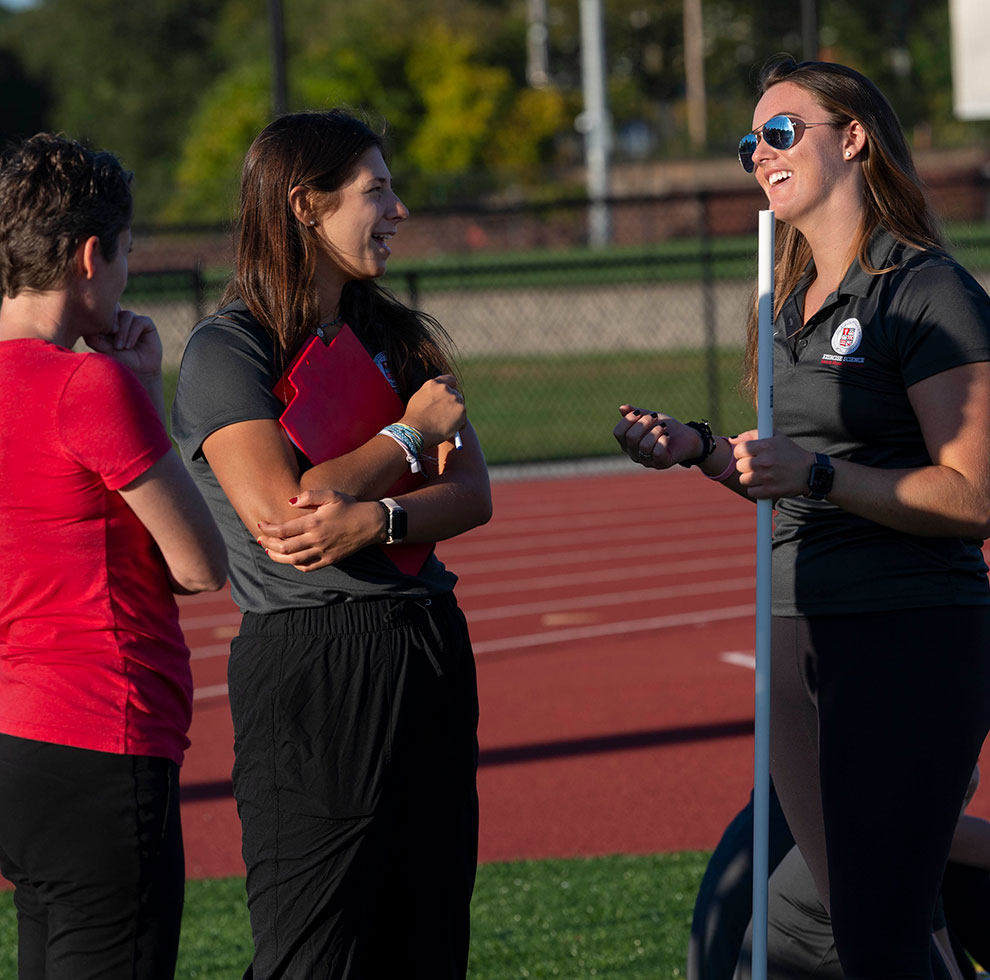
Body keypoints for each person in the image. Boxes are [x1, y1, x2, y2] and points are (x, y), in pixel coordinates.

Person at [614, 56, 990, 978]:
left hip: (903, 633)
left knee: (879, 932)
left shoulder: (928, 292)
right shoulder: (783, 304)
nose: (760, 155)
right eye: (749, 143)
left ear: (853, 138)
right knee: (849, 931)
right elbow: (785, 475)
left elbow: (974, 498)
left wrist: (820, 474)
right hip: (795, 630)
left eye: (781, 133)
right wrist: (703, 449)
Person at [170, 109, 492, 980]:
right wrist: (408, 435)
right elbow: (291, 515)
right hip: (312, 660)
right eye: (375, 190)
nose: (398, 209)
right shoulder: (228, 350)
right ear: (305, 206)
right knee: (312, 954)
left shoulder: (400, 336)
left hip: (427, 642)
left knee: (428, 942)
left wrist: (380, 519)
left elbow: (471, 493)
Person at [0, 133, 227, 979]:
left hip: (14, 737)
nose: (127, 277)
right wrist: (136, 389)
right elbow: (201, 565)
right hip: (99, 729)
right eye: (127, 254)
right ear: (90, 256)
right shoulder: (88, 386)